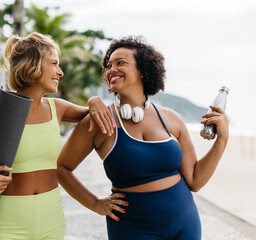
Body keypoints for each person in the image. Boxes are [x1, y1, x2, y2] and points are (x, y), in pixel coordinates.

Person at [57, 36, 229, 240]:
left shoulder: (171, 119)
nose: (112, 69)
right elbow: (62, 168)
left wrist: (222, 139)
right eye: (109, 65)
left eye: (120, 63)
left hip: (185, 221)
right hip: (132, 227)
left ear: (142, 70)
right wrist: (95, 204)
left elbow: (194, 181)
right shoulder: (99, 122)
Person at [0, 32, 114, 240]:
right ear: (33, 65)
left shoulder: (58, 108)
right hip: (7, 225)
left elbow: (96, 114)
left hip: (52, 221)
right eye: (54, 64)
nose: (60, 72)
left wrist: (94, 100)